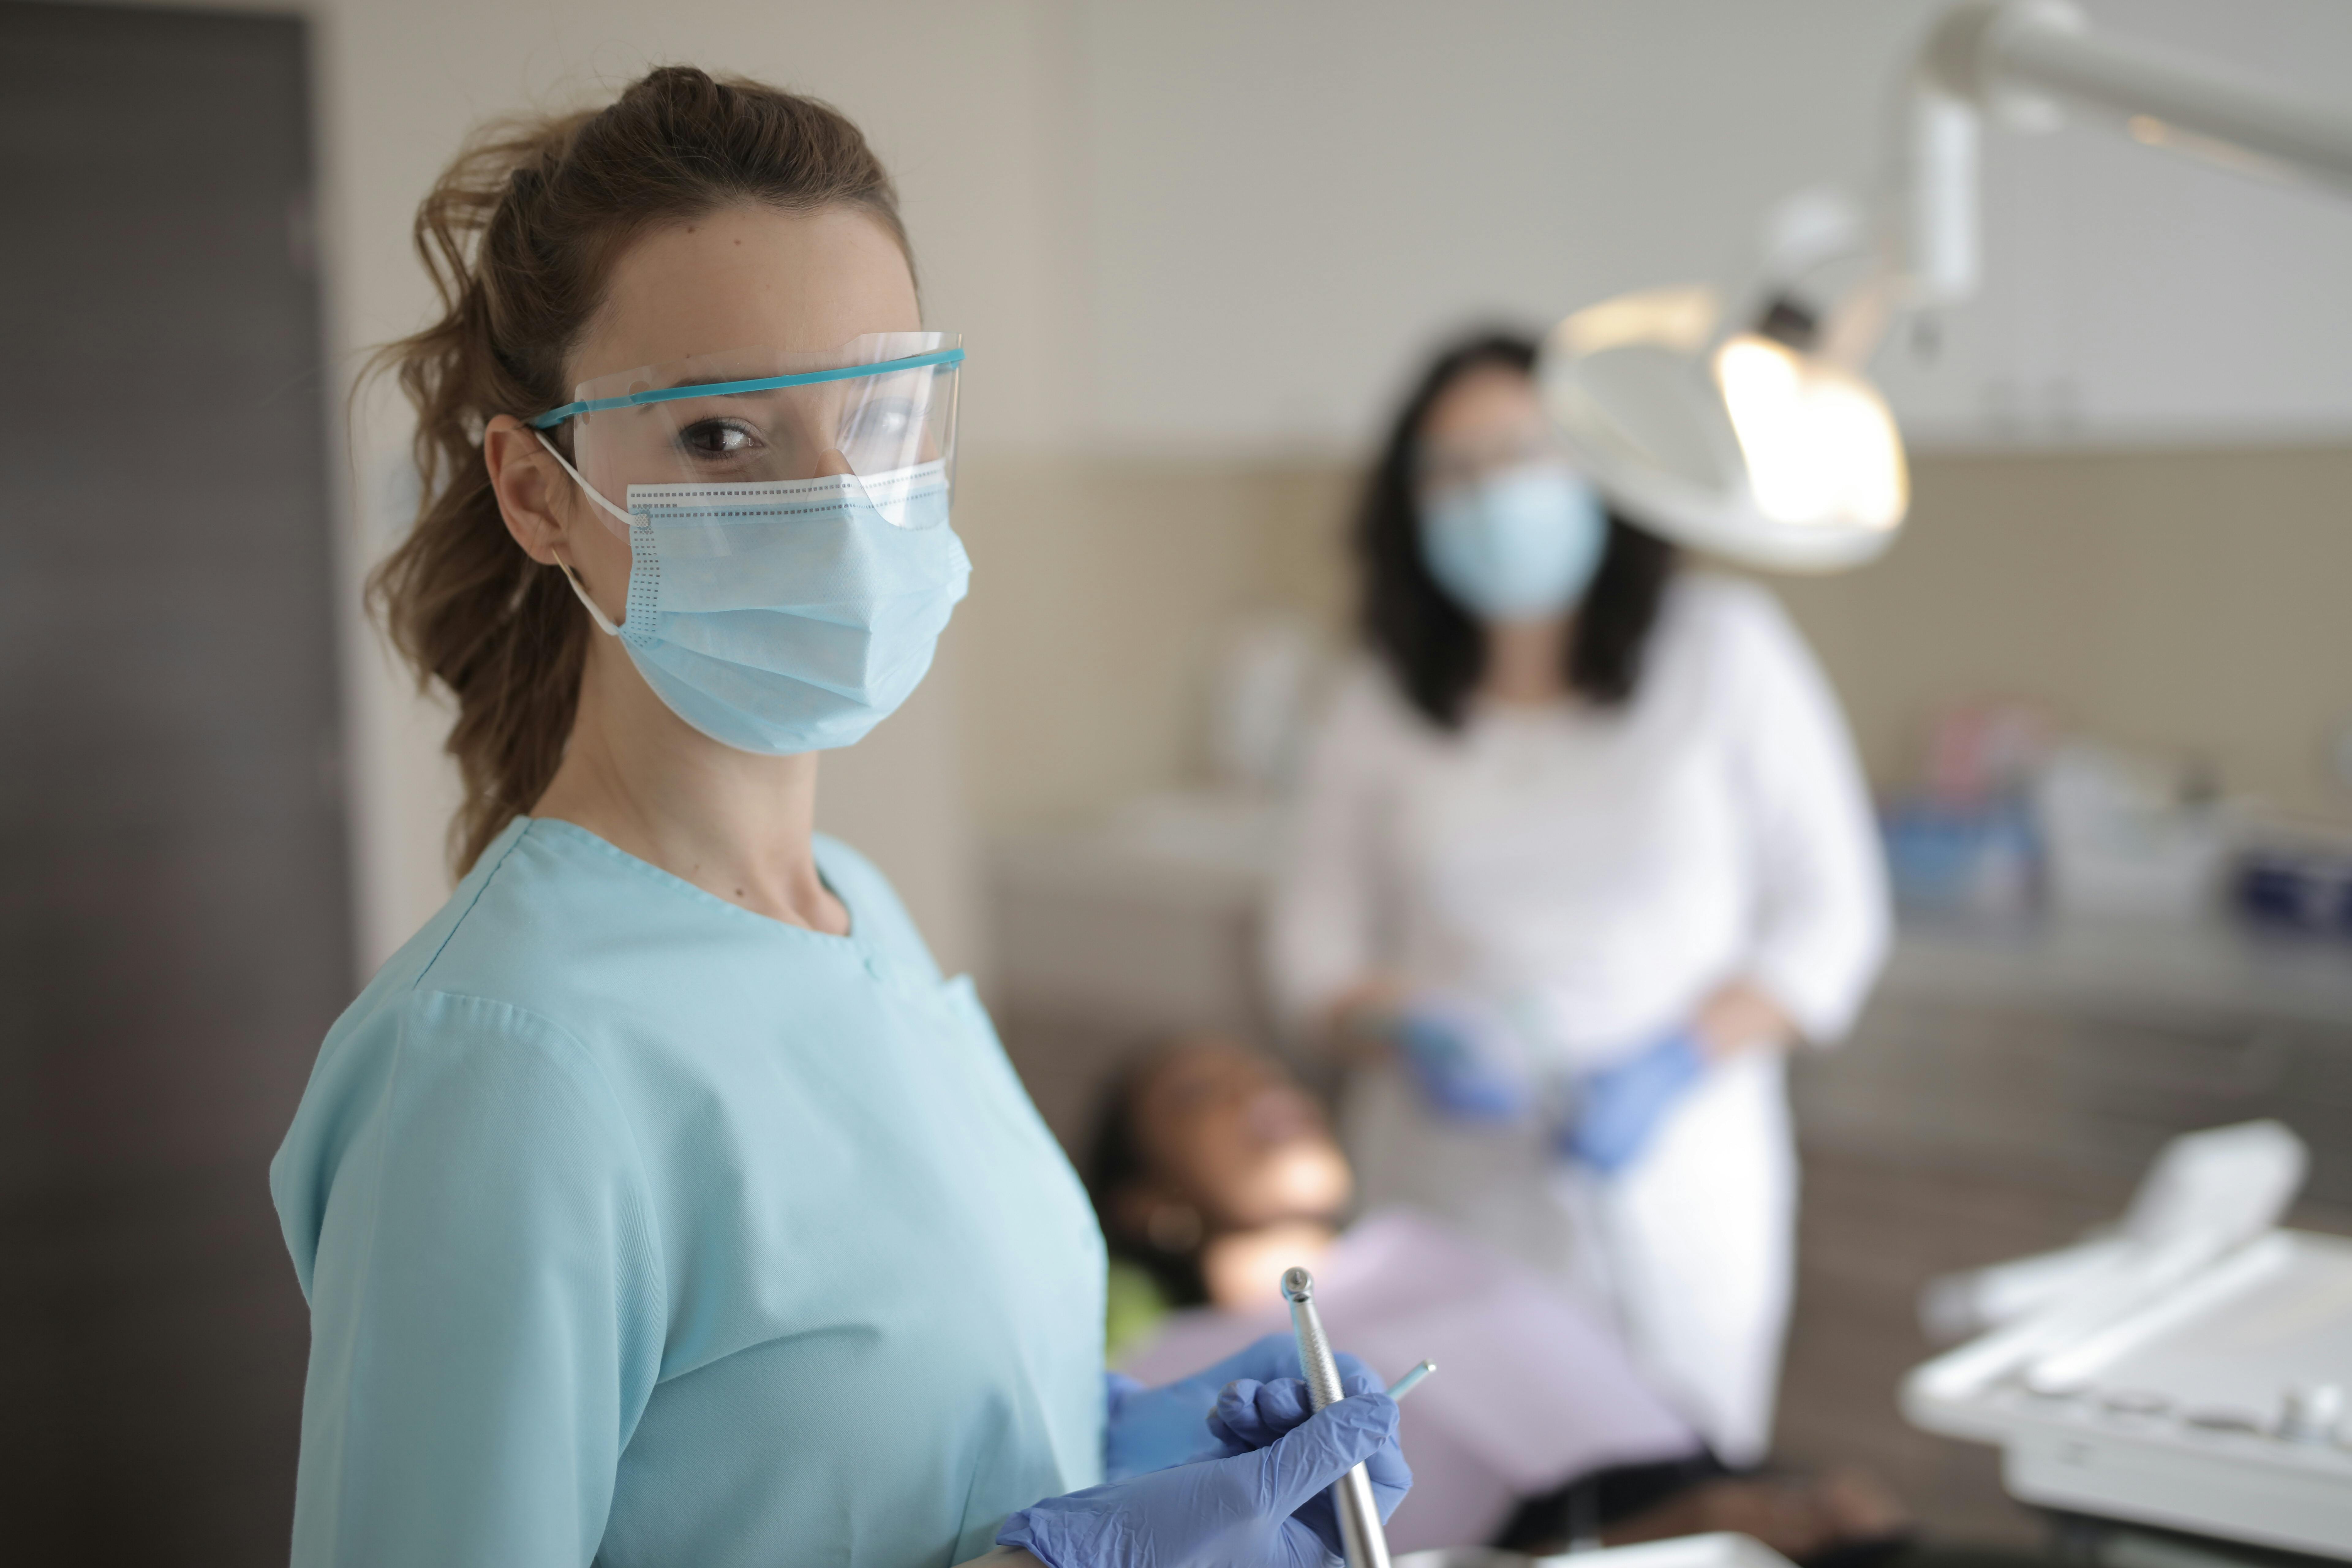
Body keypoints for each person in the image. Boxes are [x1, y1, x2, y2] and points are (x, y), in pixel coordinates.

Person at [269, 69, 1407, 1568]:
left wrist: (1124, 1433)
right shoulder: (499, 1061)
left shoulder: (858, 909)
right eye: (723, 440)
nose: (837, 503)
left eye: (877, 417)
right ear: (538, 496)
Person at [1266, 330, 1890, 1467]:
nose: (1488, 491)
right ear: (1407, 504)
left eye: (1520, 452)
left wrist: (1678, 1061)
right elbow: (1312, 945)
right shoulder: (1377, 698)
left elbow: (1833, 918)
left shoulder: (1724, 653)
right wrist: (1397, 1024)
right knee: (1449, 1489)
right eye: (1450, 469)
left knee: (1674, 1495)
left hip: (1675, 1186)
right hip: (1443, 1185)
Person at [1091, 1035, 1912, 1559]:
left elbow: (1630, 1411)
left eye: (1262, 1071)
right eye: (1199, 1094)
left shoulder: (1421, 1243)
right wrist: (1659, 1537)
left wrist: (1789, 1491)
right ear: (1146, 1204)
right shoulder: (1174, 1367)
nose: (1256, 1091)